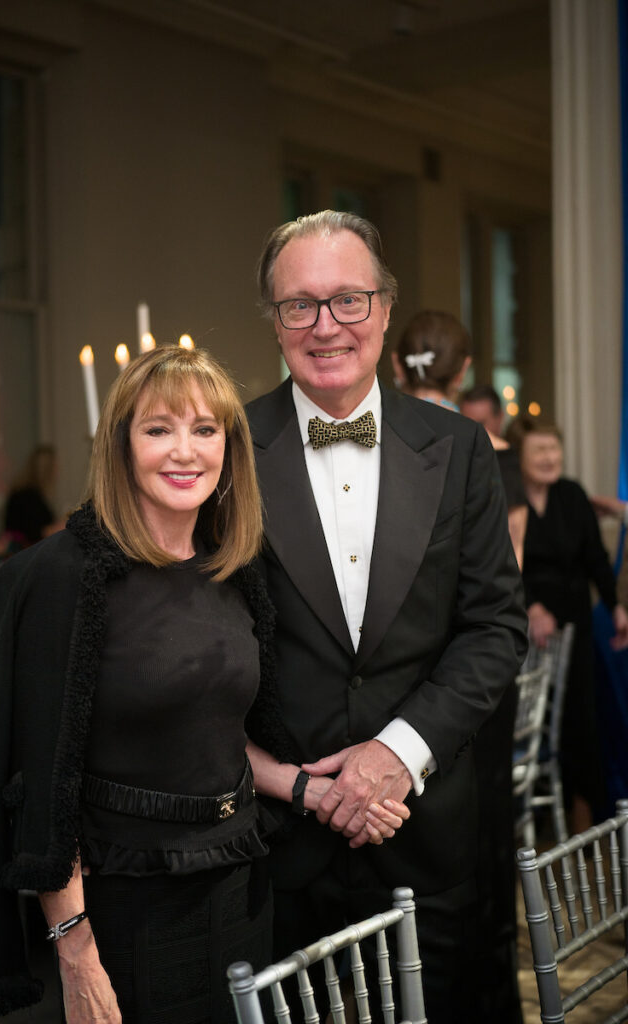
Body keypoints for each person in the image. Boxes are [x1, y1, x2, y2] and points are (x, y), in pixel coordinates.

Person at [0, 346, 409, 1024]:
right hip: (127, 906)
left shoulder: (232, 569)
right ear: (121, 445)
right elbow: (42, 783)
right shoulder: (65, 575)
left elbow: (217, 735)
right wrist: (75, 952)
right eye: (159, 429)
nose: (185, 451)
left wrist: (311, 789)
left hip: (238, 884)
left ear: (229, 449)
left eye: (205, 429)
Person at [245, 210, 528, 1024]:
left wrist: (398, 753)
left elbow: (495, 627)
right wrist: (306, 788)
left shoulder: (459, 447)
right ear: (274, 320)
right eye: (299, 304)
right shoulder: (228, 448)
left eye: (349, 299)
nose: (325, 324)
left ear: (385, 307)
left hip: (427, 836)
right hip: (281, 848)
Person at [393, 316, 525, 1022]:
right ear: (465, 368)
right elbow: (508, 585)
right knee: (481, 831)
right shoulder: (489, 451)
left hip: (404, 677)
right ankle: (483, 994)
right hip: (474, 677)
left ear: (395, 365)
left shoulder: (390, 446)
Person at [507, 415, 628, 831]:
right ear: (518, 455)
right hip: (523, 629)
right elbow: (503, 565)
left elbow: (596, 558)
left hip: (575, 625)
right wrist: (529, 607)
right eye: (539, 449)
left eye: (554, 448)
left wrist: (616, 606)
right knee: (527, 722)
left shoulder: (572, 495)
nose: (550, 457)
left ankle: (583, 823)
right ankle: (530, 819)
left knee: (582, 721)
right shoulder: (507, 499)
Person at [460, 383, 527, 569]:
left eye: (481, 424)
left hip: (495, 570)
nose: (473, 432)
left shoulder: (507, 459)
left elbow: (515, 531)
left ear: (500, 418)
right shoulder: (458, 457)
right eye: (466, 423)